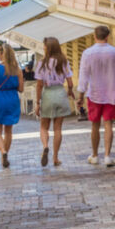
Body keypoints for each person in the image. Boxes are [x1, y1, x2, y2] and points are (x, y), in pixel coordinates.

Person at [77, 25, 115, 167]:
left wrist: (80, 95)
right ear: (107, 36)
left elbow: (83, 76)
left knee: (95, 125)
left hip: (94, 93)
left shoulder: (87, 53)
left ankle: (94, 155)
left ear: (95, 36)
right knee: (109, 124)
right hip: (111, 92)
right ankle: (107, 156)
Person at [35, 37, 75, 167]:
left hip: (47, 94)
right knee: (58, 129)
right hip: (60, 94)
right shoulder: (64, 62)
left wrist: (37, 103)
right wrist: (70, 91)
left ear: (48, 48)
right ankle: (55, 158)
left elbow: (39, 85)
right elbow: (70, 82)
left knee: (43, 127)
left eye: (44, 46)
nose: (43, 48)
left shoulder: (41, 63)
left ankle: (46, 146)